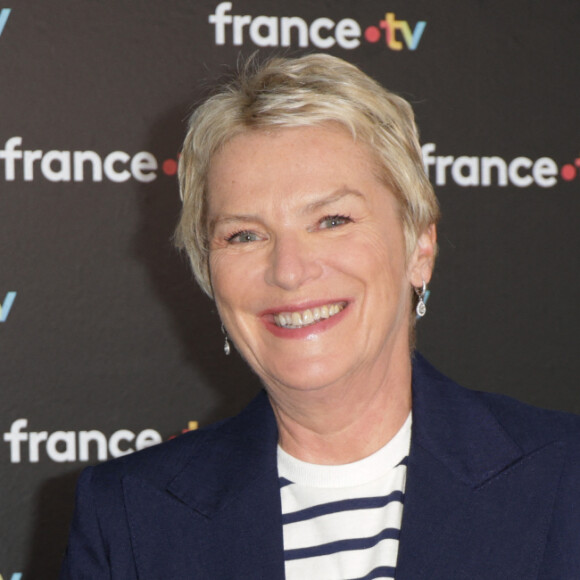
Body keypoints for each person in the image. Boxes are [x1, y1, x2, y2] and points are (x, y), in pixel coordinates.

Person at [60, 54, 580, 579]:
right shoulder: (126, 517)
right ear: (206, 271)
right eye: (244, 234)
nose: (288, 270)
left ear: (420, 245)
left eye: (331, 220)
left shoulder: (568, 477)